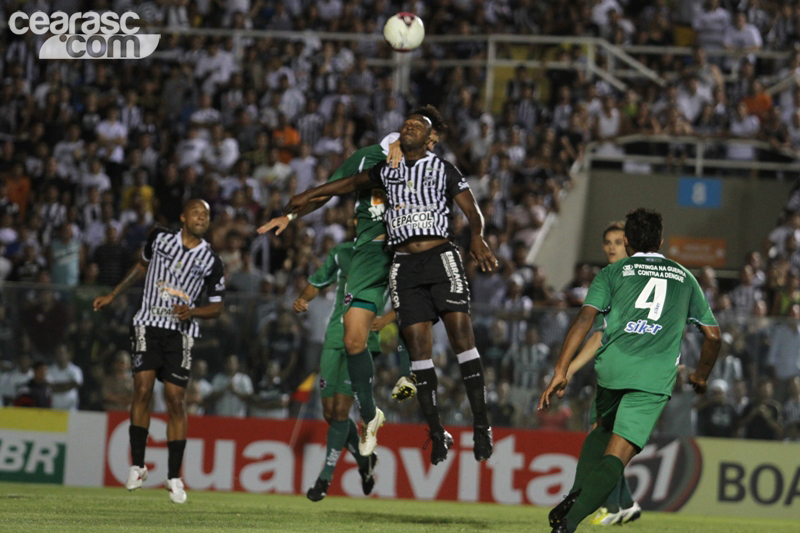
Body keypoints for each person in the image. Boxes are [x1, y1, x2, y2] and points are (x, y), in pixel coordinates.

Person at [285, 112, 498, 465]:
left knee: (462, 338)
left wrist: (477, 236)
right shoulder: (387, 170)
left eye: (418, 126)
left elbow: (472, 209)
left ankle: (481, 424)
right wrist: (309, 194)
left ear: (431, 138)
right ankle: (435, 430)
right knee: (418, 351)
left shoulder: (443, 168)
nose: (409, 127)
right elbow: (347, 184)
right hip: (404, 264)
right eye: (406, 125)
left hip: (440, 256)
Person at [257, 106, 444, 455]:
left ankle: (410, 372)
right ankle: (371, 415)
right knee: (354, 339)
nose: (432, 145)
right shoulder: (369, 158)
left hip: (407, 249)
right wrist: (289, 214)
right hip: (370, 253)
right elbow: (328, 191)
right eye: (430, 137)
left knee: (417, 307)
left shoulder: (431, 167)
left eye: (433, 140)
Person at [540, 208, 721, 533]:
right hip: (652, 376)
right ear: (661, 240)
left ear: (627, 240)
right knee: (618, 452)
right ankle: (569, 521)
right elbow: (713, 336)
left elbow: (585, 319)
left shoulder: (612, 273)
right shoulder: (685, 276)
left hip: (613, 367)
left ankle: (575, 495)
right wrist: (700, 376)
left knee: (601, 431)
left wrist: (560, 369)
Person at [93, 199, 225, 504]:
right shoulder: (159, 238)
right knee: (142, 388)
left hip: (180, 333)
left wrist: (193, 311)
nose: (202, 217)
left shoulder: (211, 260)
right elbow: (141, 266)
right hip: (147, 323)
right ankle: (138, 466)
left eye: (206, 214)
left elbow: (217, 307)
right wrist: (113, 294)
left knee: (176, 400)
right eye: (196, 212)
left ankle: (174, 476)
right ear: (183, 217)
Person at [563, 221, 642, 526]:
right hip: (624, 370)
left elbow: (599, 336)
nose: (611, 247)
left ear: (629, 245)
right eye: (607, 242)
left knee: (604, 436)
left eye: (617, 242)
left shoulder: (619, 280)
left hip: (623, 372)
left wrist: (568, 368)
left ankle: (613, 504)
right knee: (607, 436)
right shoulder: (628, 277)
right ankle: (622, 503)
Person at [295, 240, 381, 501]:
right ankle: (364, 461)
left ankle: (325, 478)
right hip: (334, 337)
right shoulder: (343, 252)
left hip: (362, 341)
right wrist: (302, 297)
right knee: (331, 414)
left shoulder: (391, 253)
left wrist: (387, 321)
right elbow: (319, 280)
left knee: (342, 410)